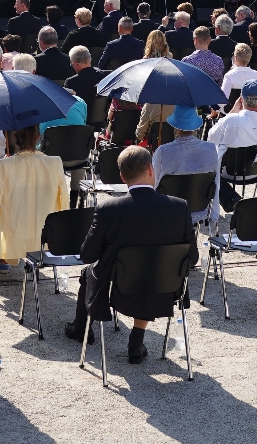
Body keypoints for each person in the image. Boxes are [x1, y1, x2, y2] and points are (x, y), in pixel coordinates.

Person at [64, 146, 195, 364]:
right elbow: (192, 258)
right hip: (164, 285)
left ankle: (81, 328)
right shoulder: (179, 207)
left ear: (123, 177)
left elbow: (88, 254)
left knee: (89, 272)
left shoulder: (108, 209)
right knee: (149, 269)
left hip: (119, 286)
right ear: (151, 170)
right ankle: (136, 342)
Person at [0, 124, 69, 265]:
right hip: (44, 235)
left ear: (14, 138)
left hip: (14, 233)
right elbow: (64, 202)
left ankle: (3, 259)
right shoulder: (55, 163)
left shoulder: (4, 165)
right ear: (38, 137)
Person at [152, 106, 221, 225]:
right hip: (200, 207)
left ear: (175, 126)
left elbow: (153, 182)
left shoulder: (163, 151)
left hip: (169, 209)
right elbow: (216, 181)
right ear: (195, 127)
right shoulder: (211, 149)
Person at [208, 80, 257, 153]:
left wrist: (233, 111)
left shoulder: (231, 120)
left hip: (230, 164)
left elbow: (211, 140)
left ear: (241, 99)